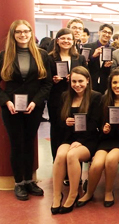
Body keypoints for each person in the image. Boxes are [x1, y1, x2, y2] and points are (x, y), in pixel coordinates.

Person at [0, 20, 52, 201]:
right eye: (19, 32)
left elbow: (47, 83)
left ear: (31, 33)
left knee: (30, 142)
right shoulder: (4, 56)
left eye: (26, 31)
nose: (23, 35)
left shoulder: (42, 55)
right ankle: (19, 183)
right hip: (11, 108)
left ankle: (30, 180)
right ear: (13, 35)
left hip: (33, 107)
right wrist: (6, 101)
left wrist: (36, 101)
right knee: (17, 144)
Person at [77, 70, 119, 208]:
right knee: (98, 163)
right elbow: (97, 123)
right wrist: (103, 129)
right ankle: (88, 193)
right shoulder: (104, 100)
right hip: (106, 139)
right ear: (110, 84)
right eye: (115, 82)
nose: (118, 86)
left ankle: (108, 191)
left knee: (111, 159)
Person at [51, 66, 102, 214]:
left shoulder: (95, 97)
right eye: (74, 81)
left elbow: (95, 123)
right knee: (60, 155)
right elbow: (58, 122)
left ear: (87, 80)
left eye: (80, 81)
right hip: (68, 138)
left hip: (88, 139)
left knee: (72, 155)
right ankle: (56, 195)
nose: (77, 84)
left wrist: (80, 140)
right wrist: (64, 121)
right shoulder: (64, 96)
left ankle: (73, 194)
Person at [48, 28, 87, 161]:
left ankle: (74, 163)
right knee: (57, 130)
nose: (66, 41)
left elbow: (85, 76)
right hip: (56, 97)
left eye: (69, 39)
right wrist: (53, 80)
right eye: (63, 38)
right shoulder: (50, 58)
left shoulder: (79, 58)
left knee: (75, 129)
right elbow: (44, 80)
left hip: (75, 98)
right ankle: (58, 162)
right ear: (57, 41)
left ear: (73, 41)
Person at [84, 24, 114, 94]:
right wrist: (93, 57)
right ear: (99, 32)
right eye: (104, 32)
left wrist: (110, 65)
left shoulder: (113, 50)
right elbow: (83, 65)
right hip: (90, 82)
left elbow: (113, 69)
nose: (106, 34)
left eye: (109, 33)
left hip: (105, 84)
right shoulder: (88, 47)